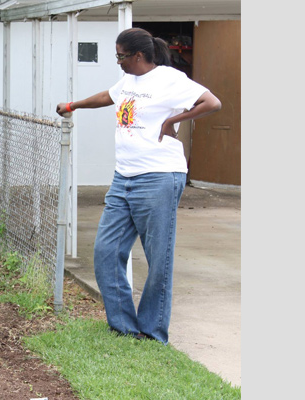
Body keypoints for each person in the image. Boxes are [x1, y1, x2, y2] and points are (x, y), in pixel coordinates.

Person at [56, 27, 221, 344]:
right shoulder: (128, 81)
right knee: (106, 252)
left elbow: (212, 102)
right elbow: (108, 96)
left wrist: (174, 120)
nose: (117, 61)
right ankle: (123, 326)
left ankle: (152, 331)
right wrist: (73, 105)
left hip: (159, 176)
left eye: (120, 56)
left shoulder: (170, 80)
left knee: (158, 258)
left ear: (139, 56)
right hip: (124, 177)